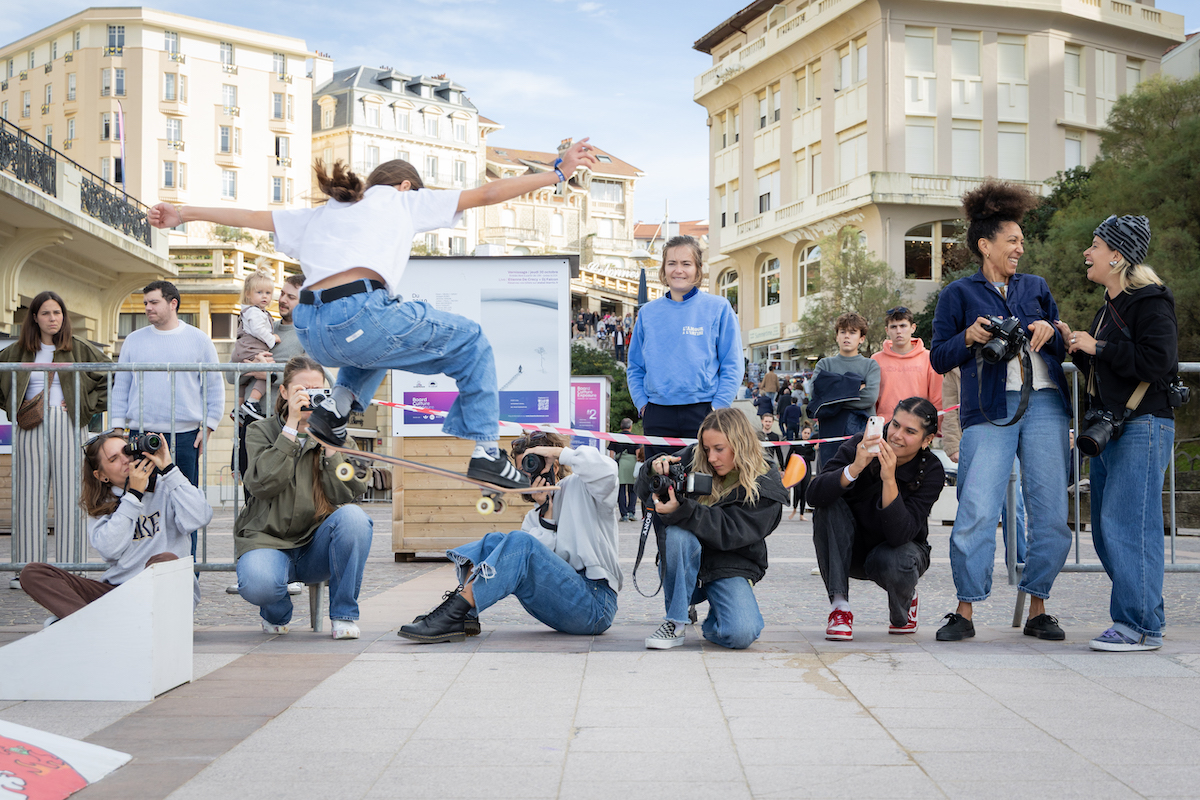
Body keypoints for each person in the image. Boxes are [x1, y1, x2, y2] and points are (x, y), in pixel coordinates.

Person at [148, 138, 599, 488]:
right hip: (358, 312)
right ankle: (486, 452)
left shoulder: (326, 211)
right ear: (405, 185)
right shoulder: (402, 199)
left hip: (312, 327)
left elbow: (253, 216)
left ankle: (335, 408)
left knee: (383, 340)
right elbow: (487, 193)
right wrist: (557, 172)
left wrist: (183, 213)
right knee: (472, 339)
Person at [930, 180, 1072, 643]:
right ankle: (965, 610)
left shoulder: (1036, 286)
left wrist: (1050, 329)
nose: (1020, 248)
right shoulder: (958, 294)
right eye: (1012, 240)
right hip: (990, 409)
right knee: (975, 508)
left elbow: (1062, 338)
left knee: (1050, 512)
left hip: (1046, 403)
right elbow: (938, 357)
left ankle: (1038, 607)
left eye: (1022, 241)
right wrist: (969, 337)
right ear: (985, 245)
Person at [1054, 215, 1176, 652]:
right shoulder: (1109, 306)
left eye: (1095, 245)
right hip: (1114, 428)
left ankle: (1138, 626)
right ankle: (1145, 616)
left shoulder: (1150, 301)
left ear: (1118, 256)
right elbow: (1109, 368)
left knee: (1128, 527)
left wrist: (1099, 346)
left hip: (1143, 425)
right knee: (1108, 531)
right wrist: (1078, 347)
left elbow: (1158, 361)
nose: (1087, 253)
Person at [399, 431, 621, 643]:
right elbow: (543, 570)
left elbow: (608, 471)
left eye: (533, 464)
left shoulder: (585, 487)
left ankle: (453, 613)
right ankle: (464, 614)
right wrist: (546, 513)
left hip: (595, 605)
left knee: (520, 542)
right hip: (564, 602)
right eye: (522, 469)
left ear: (553, 464)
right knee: (494, 541)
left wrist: (559, 452)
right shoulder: (533, 518)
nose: (527, 475)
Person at [233, 356, 374, 639]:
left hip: (315, 547)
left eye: (317, 390)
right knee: (259, 583)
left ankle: (343, 616)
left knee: (355, 519)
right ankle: (277, 613)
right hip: (267, 540)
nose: (310, 397)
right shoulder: (260, 431)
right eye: (302, 390)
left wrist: (331, 447)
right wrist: (290, 429)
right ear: (284, 392)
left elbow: (351, 488)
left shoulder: (337, 436)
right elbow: (261, 484)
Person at [18, 432, 210, 622]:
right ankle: (89, 623)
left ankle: (90, 623)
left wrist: (168, 468)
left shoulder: (168, 486)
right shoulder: (102, 504)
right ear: (101, 475)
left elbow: (200, 517)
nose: (125, 460)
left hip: (164, 596)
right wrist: (134, 495)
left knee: (166, 561)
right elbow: (110, 550)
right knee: (33, 573)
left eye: (126, 452)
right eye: (114, 459)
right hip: (118, 593)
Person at [638, 407, 787, 650]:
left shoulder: (765, 483)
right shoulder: (692, 457)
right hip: (687, 562)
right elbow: (643, 489)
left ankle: (715, 621)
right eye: (707, 449)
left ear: (741, 444)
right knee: (676, 534)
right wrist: (652, 471)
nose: (711, 458)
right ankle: (675, 621)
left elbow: (731, 531)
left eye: (719, 449)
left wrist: (683, 509)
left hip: (730, 563)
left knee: (741, 634)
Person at [807, 398, 944, 640]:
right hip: (850, 548)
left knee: (897, 560)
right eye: (895, 425)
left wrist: (889, 479)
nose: (897, 435)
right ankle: (840, 608)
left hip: (899, 552)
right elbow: (814, 495)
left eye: (910, 431)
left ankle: (905, 603)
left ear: (927, 440)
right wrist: (855, 468)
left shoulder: (931, 470)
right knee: (829, 503)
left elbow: (900, 535)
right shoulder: (861, 444)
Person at [109, 280, 224, 567]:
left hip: (184, 436)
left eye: (154, 302)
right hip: (139, 434)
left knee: (185, 506)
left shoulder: (199, 340)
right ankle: (138, 571)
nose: (147, 308)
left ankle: (186, 574)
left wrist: (209, 426)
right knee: (138, 503)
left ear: (173, 303)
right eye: (145, 303)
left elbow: (214, 386)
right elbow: (121, 386)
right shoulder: (133, 340)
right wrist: (117, 430)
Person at [0, 292, 111, 589]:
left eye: (57, 312)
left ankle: (72, 570)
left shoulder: (79, 348)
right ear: (35, 317)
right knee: (28, 497)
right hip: (29, 424)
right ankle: (27, 571)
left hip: (69, 422)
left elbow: (112, 377)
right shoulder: (17, 351)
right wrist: (14, 405)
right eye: (46, 313)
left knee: (72, 496)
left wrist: (86, 404)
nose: (53, 318)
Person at [626, 235, 743, 465]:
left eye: (686, 263)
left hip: (703, 412)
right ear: (663, 269)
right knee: (659, 481)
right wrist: (643, 405)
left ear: (698, 269)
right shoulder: (648, 313)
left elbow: (733, 364)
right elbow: (635, 367)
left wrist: (717, 407)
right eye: (672, 263)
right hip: (657, 413)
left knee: (703, 481)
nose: (678, 270)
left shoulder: (718, 308)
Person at [941, 367, 1028, 565]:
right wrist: (953, 445)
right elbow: (950, 410)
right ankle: (973, 566)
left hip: (1005, 436)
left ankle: (1018, 561)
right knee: (972, 507)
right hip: (974, 441)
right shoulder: (954, 371)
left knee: (1013, 504)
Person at [810, 313, 881, 468]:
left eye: (852, 332)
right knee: (830, 478)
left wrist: (832, 395)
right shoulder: (824, 364)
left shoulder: (870, 365)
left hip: (862, 435)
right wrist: (856, 387)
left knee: (863, 478)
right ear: (837, 336)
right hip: (830, 436)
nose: (847, 336)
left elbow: (870, 397)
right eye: (843, 332)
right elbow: (816, 396)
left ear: (862, 338)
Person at [871, 306, 942, 423]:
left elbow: (937, 398)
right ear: (887, 330)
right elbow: (872, 400)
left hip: (918, 426)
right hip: (885, 425)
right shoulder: (876, 359)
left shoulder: (929, 358)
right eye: (893, 327)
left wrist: (936, 427)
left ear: (913, 328)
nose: (898, 331)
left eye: (903, 326)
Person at [229, 269, 281, 422]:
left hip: (242, 351)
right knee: (268, 371)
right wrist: (272, 339)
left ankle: (239, 408)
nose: (265, 296)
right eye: (259, 292)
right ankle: (252, 401)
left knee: (243, 381)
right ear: (248, 294)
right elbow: (258, 330)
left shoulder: (253, 311)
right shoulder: (254, 312)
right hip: (251, 350)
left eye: (268, 293)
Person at [608, 418, 639, 522]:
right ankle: (631, 513)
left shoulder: (615, 437)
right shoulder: (635, 437)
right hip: (632, 464)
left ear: (621, 426)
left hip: (620, 464)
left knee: (621, 489)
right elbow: (638, 454)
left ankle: (624, 514)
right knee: (633, 489)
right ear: (630, 426)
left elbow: (611, 455)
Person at [788, 424, 816, 521]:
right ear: (801, 432)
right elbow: (790, 454)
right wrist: (785, 468)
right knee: (798, 490)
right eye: (805, 433)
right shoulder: (797, 441)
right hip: (796, 469)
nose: (806, 435)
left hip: (806, 468)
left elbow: (812, 457)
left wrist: (801, 456)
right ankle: (794, 508)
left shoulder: (811, 444)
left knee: (804, 491)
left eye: (808, 433)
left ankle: (801, 514)